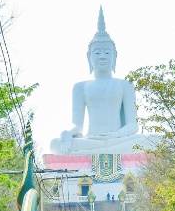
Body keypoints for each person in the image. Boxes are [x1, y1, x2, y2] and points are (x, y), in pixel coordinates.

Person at [50, 8, 159, 155]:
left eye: (107, 52)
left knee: (156, 140)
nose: (102, 56)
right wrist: (69, 132)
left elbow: (133, 125)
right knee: (55, 144)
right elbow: (77, 126)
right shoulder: (80, 87)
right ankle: (103, 151)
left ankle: (93, 153)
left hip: (118, 139)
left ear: (115, 56)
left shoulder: (125, 85)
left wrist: (117, 135)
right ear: (89, 57)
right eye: (97, 52)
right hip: (91, 140)